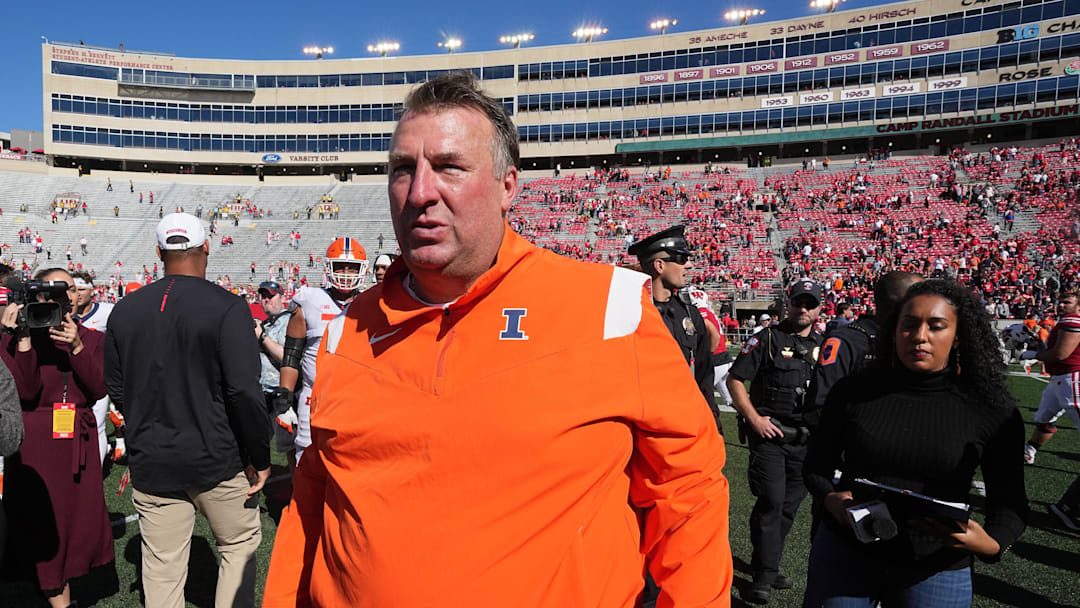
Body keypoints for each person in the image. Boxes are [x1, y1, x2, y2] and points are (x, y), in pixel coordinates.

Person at [263, 70, 732, 607]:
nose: (419, 193)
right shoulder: (348, 330)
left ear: (508, 186)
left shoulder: (609, 309)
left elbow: (686, 492)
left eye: (449, 168)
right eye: (401, 169)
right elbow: (313, 503)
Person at [802, 280, 1029, 607]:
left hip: (936, 567)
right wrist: (831, 499)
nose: (920, 336)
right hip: (847, 551)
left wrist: (992, 544)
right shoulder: (853, 392)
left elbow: (1010, 500)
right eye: (908, 325)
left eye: (936, 326)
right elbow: (816, 466)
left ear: (959, 334)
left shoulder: (992, 411)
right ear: (893, 331)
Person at [104, 213, 270, 608]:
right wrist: (259, 456)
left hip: (154, 457)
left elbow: (116, 388)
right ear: (207, 247)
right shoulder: (228, 307)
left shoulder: (125, 309)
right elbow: (244, 392)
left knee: (162, 567)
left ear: (159, 252)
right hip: (217, 457)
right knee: (238, 546)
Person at [1, 268, 113, 608]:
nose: (56, 307)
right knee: (39, 522)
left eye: (63, 299)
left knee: (78, 524)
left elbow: (97, 388)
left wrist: (77, 347)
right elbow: (24, 391)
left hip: (77, 443)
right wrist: (20, 339)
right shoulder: (16, 337)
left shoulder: (92, 338)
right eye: (46, 301)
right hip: (36, 444)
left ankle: (60, 582)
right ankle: (55, 593)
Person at [726, 279, 824, 605]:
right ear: (788, 303)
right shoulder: (767, 338)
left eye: (810, 303)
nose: (803, 308)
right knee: (771, 501)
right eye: (799, 302)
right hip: (770, 436)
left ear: (820, 307)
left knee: (787, 508)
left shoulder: (825, 348)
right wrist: (753, 419)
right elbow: (735, 379)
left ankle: (766, 564)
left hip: (804, 441)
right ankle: (764, 577)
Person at [269, 237, 366, 467]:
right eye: (340, 266)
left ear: (362, 270)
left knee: (352, 460)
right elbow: (292, 356)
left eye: (351, 267)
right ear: (328, 268)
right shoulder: (309, 300)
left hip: (356, 397)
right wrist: (285, 398)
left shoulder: (370, 303)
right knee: (307, 460)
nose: (345, 272)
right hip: (314, 396)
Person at [629, 225, 720, 432]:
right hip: (641, 423)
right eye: (681, 259)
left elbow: (704, 374)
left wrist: (712, 419)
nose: (689, 265)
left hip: (682, 420)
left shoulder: (690, 314)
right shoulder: (632, 311)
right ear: (659, 266)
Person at [71, 271, 126, 463]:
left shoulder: (107, 311)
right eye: (73, 290)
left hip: (96, 376)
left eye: (82, 289)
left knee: (98, 425)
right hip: (69, 378)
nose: (78, 294)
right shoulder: (62, 314)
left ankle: (97, 470)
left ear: (92, 291)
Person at [1021, 292, 1080, 465]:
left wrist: (1031, 354)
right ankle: (1029, 450)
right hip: (1059, 379)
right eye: (1060, 302)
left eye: (1067, 302)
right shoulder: (1064, 321)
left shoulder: (1073, 321)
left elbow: (1061, 354)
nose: (1061, 305)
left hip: (1071, 379)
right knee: (1044, 419)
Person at [254, 281, 292, 457]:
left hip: (282, 394)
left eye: (271, 295)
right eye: (263, 296)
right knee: (258, 442)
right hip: (264, 392)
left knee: (290, 447)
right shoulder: (267, 323)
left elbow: (287, 357)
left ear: (283, 298)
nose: (266, 300)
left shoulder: (289, 322)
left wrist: (262, 337)